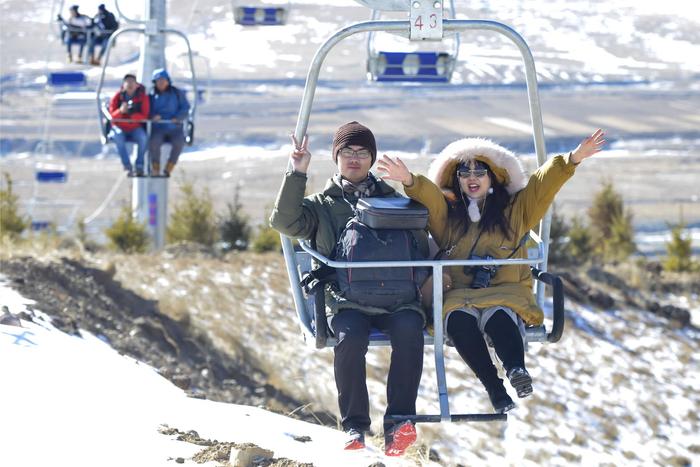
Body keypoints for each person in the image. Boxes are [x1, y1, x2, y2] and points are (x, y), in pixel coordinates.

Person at [377, 129, 606, 413]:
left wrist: (572, 160)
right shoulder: (449, 218)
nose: (472, 178)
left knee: (499, 315)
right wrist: (410, 181)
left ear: (492, 177)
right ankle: (495, 388)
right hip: (460, 294)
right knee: (459, 319)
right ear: (456, 179)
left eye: (479, 171)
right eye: (464, 172)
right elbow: (431, 202)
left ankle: (516, 370)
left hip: (505, 291)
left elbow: (540, 187)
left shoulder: (515, 213)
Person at [270, 122, 427, 456]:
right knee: (349, 340)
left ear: (372, 159)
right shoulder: (321, 206)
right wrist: (297, 173)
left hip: (397, 300)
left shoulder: (394, 201)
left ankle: (399, 423)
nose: (354, 159)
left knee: (410, 332)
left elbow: (420, 245)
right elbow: (284, 223)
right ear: (336, 157)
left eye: (362, 153)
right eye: (347, 152)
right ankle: (355, 425)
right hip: (347, 302)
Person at [148, 69, 190, 177]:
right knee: (154, 143)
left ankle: (169, 167)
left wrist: (178, 117)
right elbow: (146, 109)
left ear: (168, 81)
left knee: (179, 143)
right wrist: (153, 116)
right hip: (158, 128)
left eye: (163, 80)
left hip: (174, 127)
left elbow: (185, 107)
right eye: (158, 81)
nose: (161, 83)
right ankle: (155, 167)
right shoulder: (151, 95)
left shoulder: (176, 93)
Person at [108, 74, 150, 176]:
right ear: (123, 84)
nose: (130, 84)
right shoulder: (117, 97)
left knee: (143, 138)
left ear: (136, 85)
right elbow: (112, 116)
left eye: (132, 82)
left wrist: (133, 114)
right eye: (127, 82)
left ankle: (139, 165)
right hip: (120, 127)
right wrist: (121, 111)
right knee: (118, 137)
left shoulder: (142, 97)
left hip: (135, 127)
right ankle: (127, 165)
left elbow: (145, 115)